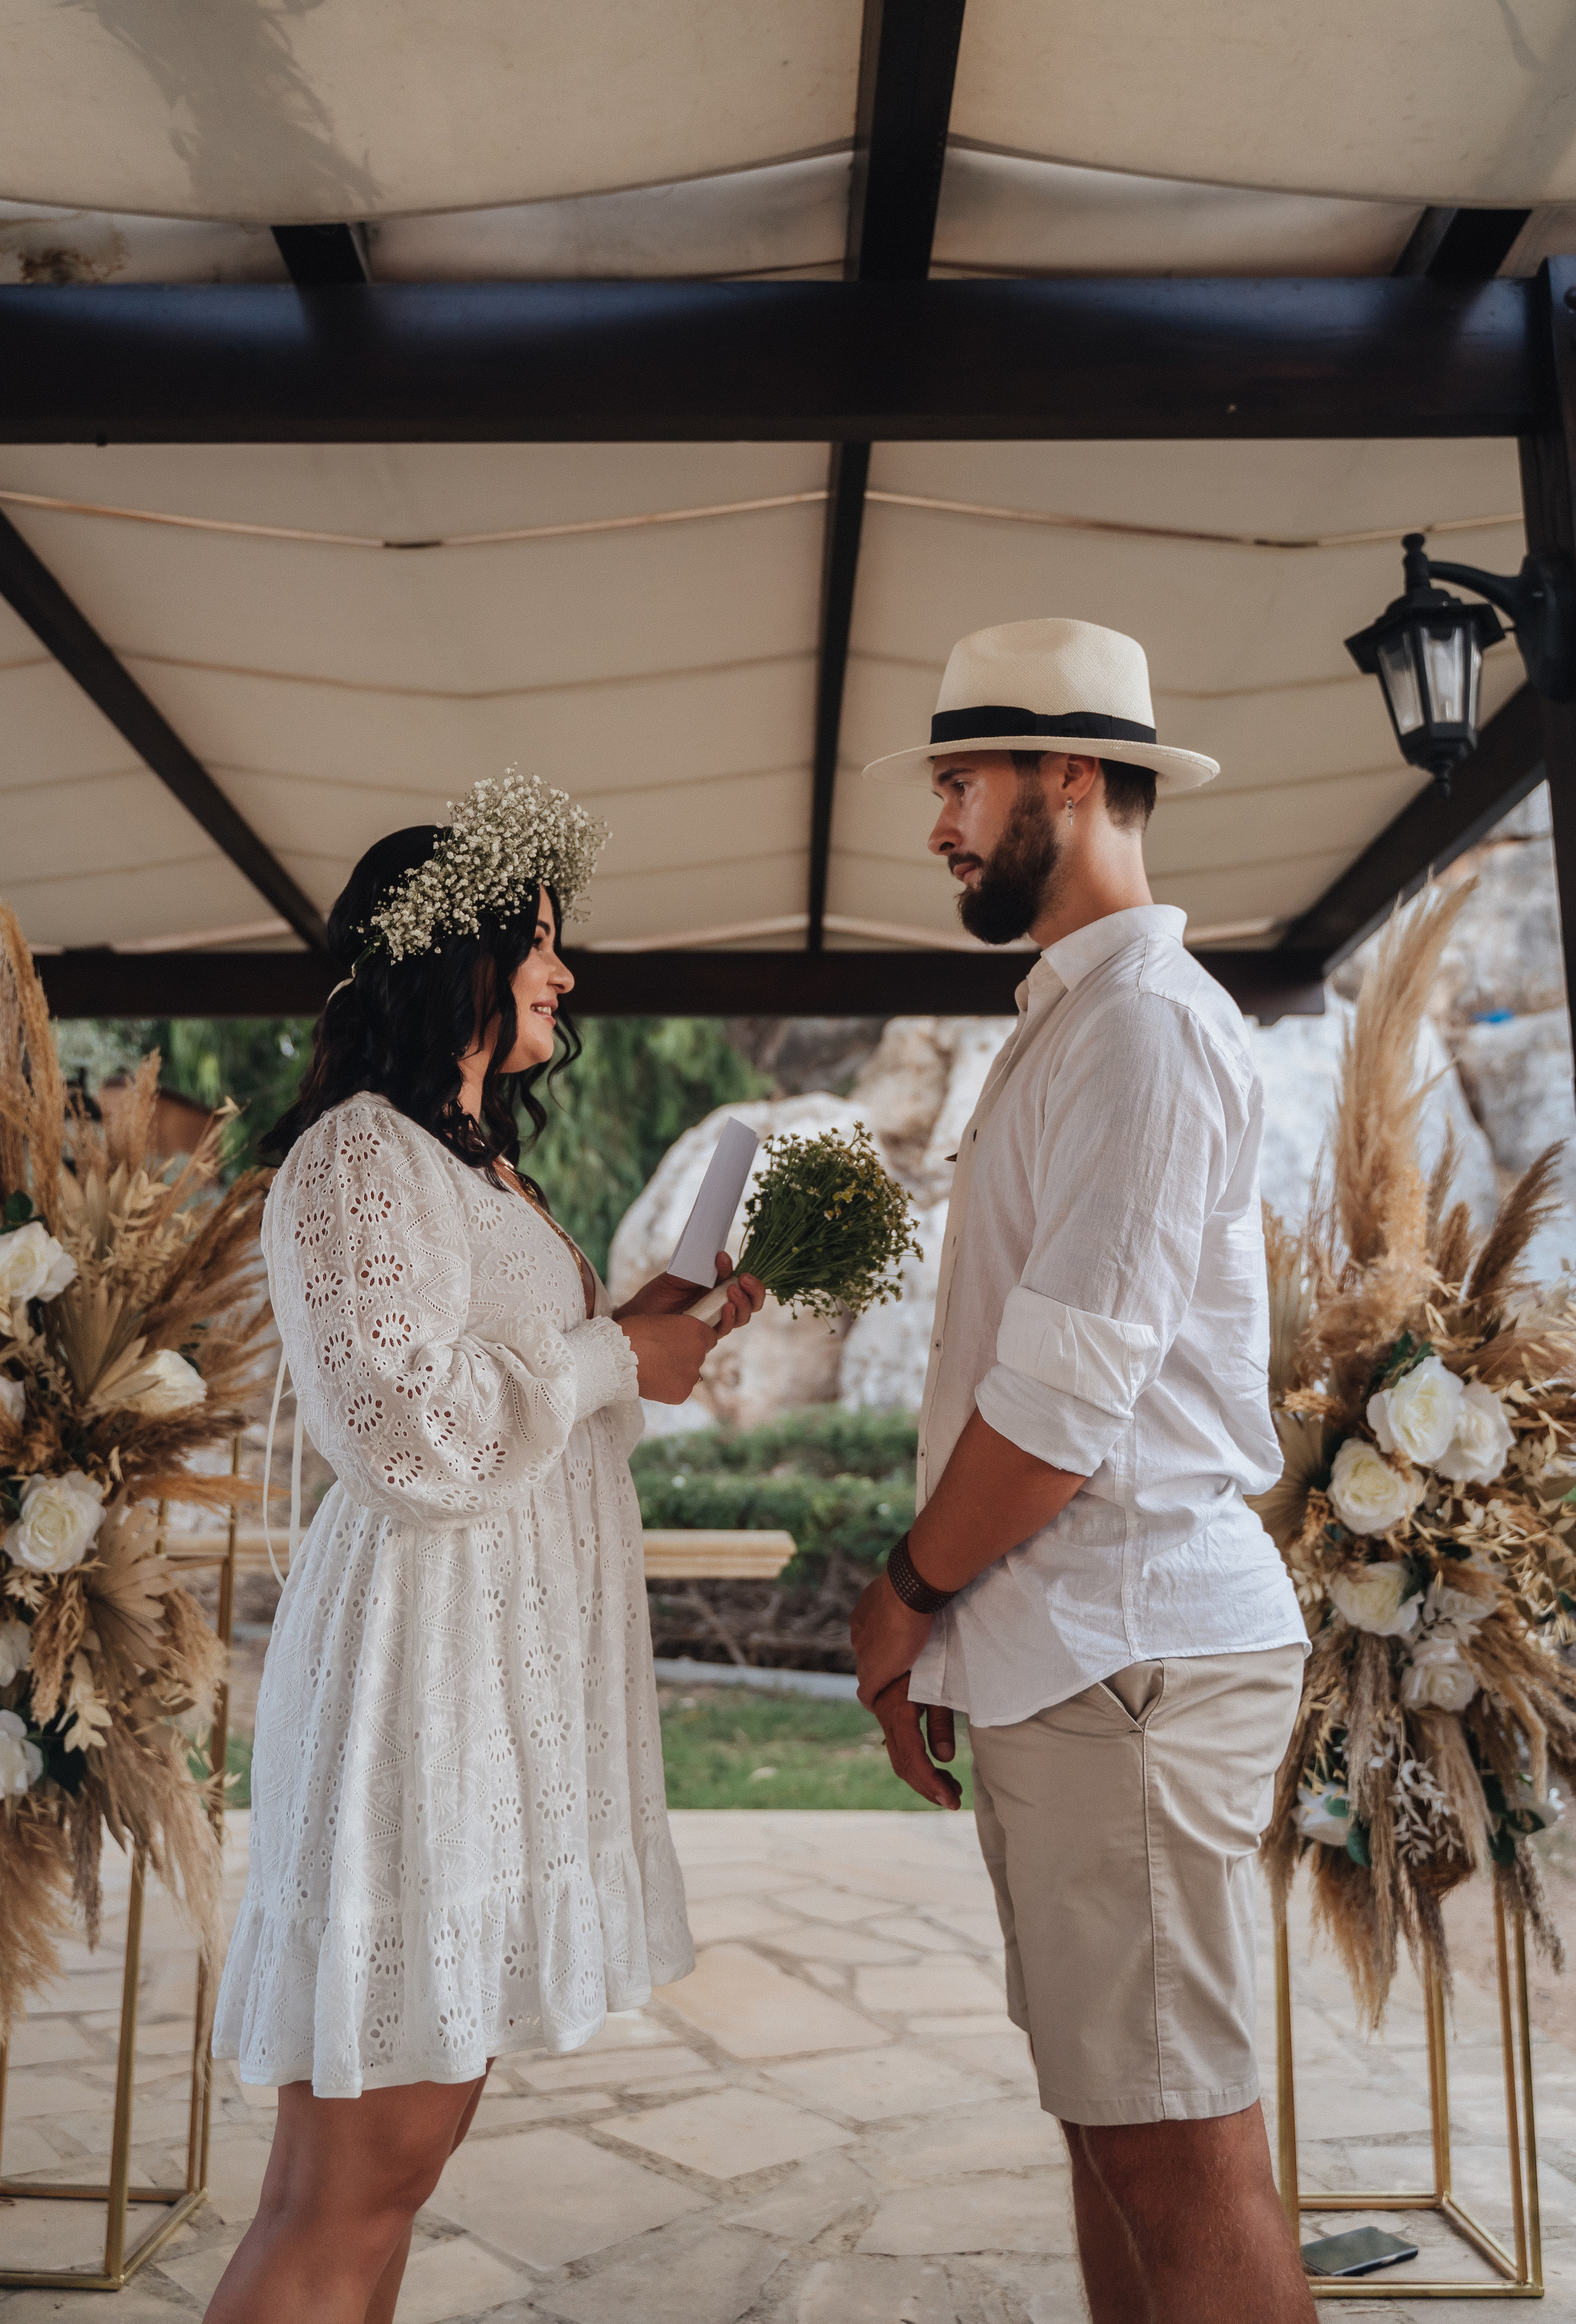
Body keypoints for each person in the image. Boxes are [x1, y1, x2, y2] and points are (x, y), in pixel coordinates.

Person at [207, 781, 762, 2324]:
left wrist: (658, 1329)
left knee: (384, 2176)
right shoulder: (356, 1160)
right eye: (537, 944)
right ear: (448, 954)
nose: (563, 979)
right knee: (353, 2183)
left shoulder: (472, 1170)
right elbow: (407, 1428)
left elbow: (545, 1404)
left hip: (490, 1696)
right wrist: (605, 1354)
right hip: (416, 1687)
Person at [849, 622, 1313, 2324]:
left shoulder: (1144, 1034)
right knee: (1118, 2139)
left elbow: (1061, 1409)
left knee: (1181, 2173)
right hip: (1087, 1653)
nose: (941, 826)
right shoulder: (1077, 1025)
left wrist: (903, 1602)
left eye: (962, 783)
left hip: (1131, 1654)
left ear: (1069, 774)